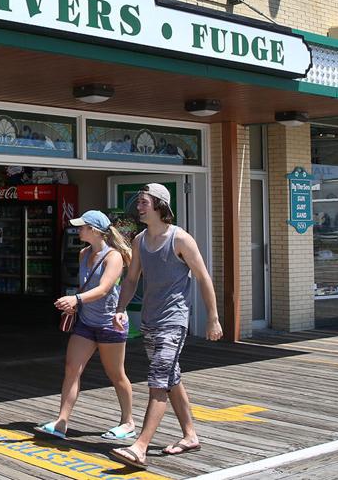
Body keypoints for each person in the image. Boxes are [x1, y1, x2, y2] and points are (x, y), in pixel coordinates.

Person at [109, 184, 222, 470]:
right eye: (138, 202)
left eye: (143, 202)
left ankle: (140, 446)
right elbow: (131, 279)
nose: (138, 207)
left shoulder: (180, 239)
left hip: (174, 321)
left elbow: (203, 277)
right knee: (171, 377)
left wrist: (213, 318)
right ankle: (190, 435)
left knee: (158, 380)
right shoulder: (139, 241)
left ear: (159, 205)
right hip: (150, 321)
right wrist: (120, 309)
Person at [34, 210, 135, 441]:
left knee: (116, 374)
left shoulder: (113, 257)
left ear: (95, 231)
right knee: (71, 368)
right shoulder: (83, 253)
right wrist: (76, 305)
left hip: (110, 323)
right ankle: (61, 422)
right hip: (87, 322)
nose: (78, 230)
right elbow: (86, 287)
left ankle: (128, 422)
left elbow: (104, 288)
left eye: (82, 226)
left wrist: (76, 300)